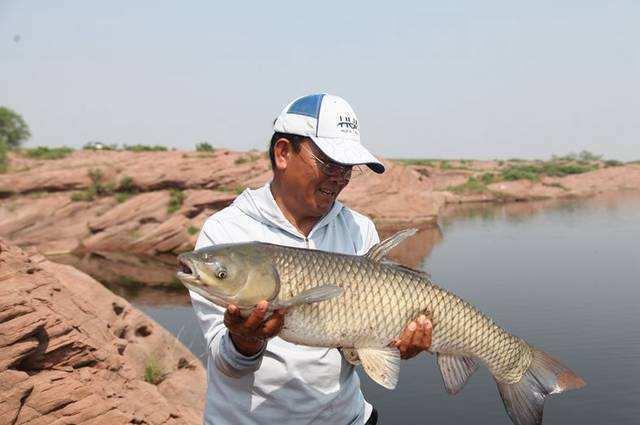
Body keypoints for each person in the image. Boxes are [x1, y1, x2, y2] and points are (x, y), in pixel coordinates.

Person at [189, 93, 432, 425]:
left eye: (347, 167)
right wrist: (246, 339)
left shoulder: (360, 229)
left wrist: (391, 342)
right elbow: (227, 364)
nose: (339, 176)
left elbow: (353, 353)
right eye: (329, 162)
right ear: (284, 152)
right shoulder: (226, 234)